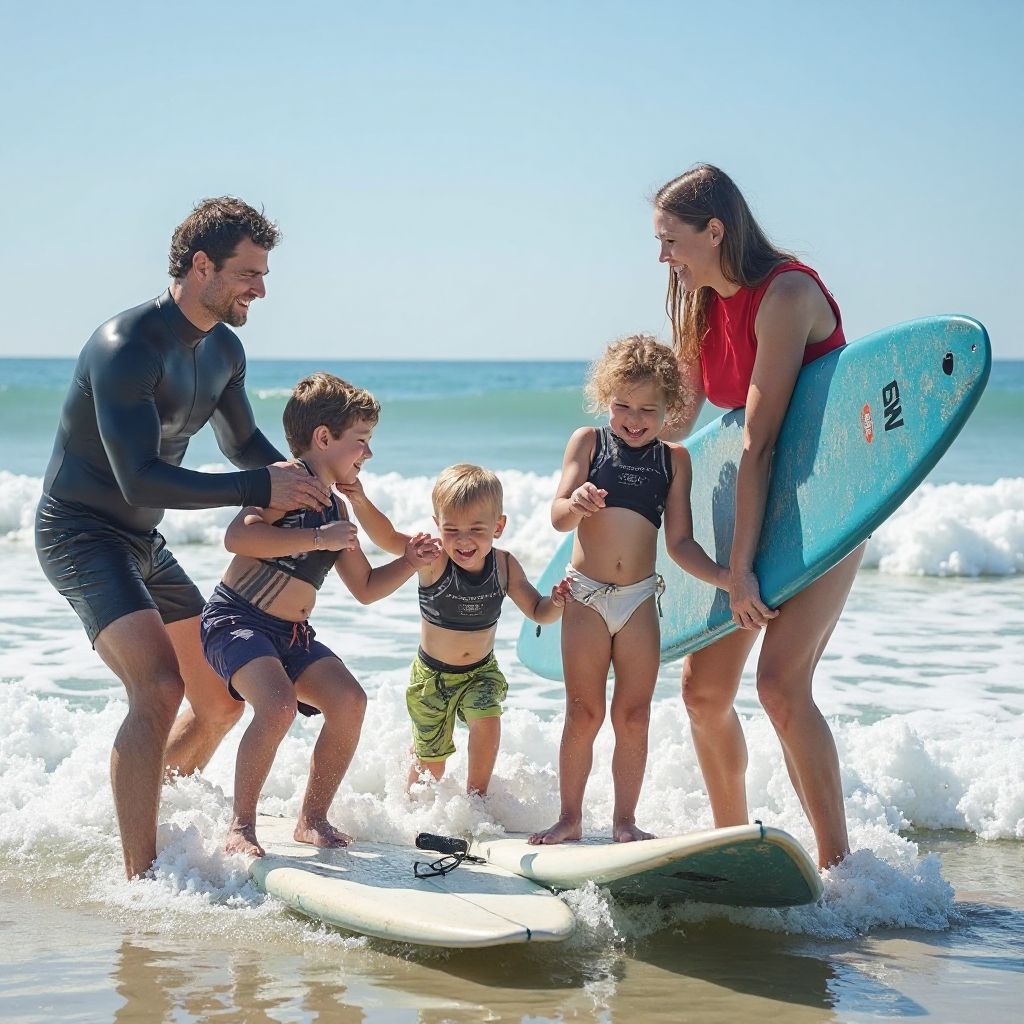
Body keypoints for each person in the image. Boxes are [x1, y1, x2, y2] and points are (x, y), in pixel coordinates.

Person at [34, 197, 329, 878]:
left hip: (143, 542)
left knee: (220, 702)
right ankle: (141, 879)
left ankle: (146, 803)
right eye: (248, 273)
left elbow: (243, 445)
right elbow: (138, 478)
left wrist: (307, 479)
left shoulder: (224, 348)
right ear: (201, 267)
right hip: (81, 534)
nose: (261, 287)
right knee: (159, 688)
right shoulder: (125, 349)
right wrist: (260, 491)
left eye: (263, 273)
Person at [653, 163, 861, 868]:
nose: (663, 257)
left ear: (716, 230)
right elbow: (678, 418)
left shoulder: (788, 293)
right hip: (747, 498)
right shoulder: (698, 301)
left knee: (779, 685)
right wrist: (614, 428)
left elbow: (759, 438)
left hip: (818, 502)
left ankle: (843, 870)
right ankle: (734, 848)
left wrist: (740, 568)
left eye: (672, 240)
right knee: (703, 690)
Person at [201, 373, 438, 857]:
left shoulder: (337, 512)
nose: (367, 455)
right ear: (324, 438)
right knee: (278, 706)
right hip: (237, 620)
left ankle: (311, 819)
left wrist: (410, 563)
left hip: (292, 635)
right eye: (361, 442)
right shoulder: (284, 483)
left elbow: (367, 588)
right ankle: (241, 826)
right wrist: (316, 539)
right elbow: (238, 537)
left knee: (350, 701)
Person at [529, 335, 729, 845]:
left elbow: (680, 542)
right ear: (605, 399)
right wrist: (575, 503)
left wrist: (726, 579)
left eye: (648, 409)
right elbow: (556, 518)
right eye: (621, 405)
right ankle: (569, 817)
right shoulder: (588, 443)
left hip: (640, 598)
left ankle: (624, 821)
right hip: (587, 596)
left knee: (633, 714)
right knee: (584, 711)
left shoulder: (674, 460)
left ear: (670, 409)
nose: (633, 419)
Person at [344, 464, 571, 797]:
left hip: (481, 672)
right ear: (437, 526)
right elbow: (388, 538)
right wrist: (360, 500)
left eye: (476, 529)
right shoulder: (433, 559)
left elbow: (538, 612)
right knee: (431, 763)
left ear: (499, 526)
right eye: (452, 530)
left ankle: (476, 798)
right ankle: (411, 807)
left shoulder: (505, 566)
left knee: (488, 723)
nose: (463, 540)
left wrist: (557, 602)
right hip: (432, 679)